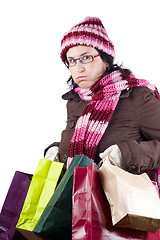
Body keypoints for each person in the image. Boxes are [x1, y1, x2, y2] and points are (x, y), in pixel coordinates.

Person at [44, 16, 160, 175]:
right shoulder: (76, 100)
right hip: (77, 195)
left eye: (86, 58)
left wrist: (127, 154)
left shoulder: (137, 97)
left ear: (106, 60)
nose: (78, 68)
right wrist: (57, 150)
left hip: (120, 197)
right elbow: (81, 146)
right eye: (71, 61)